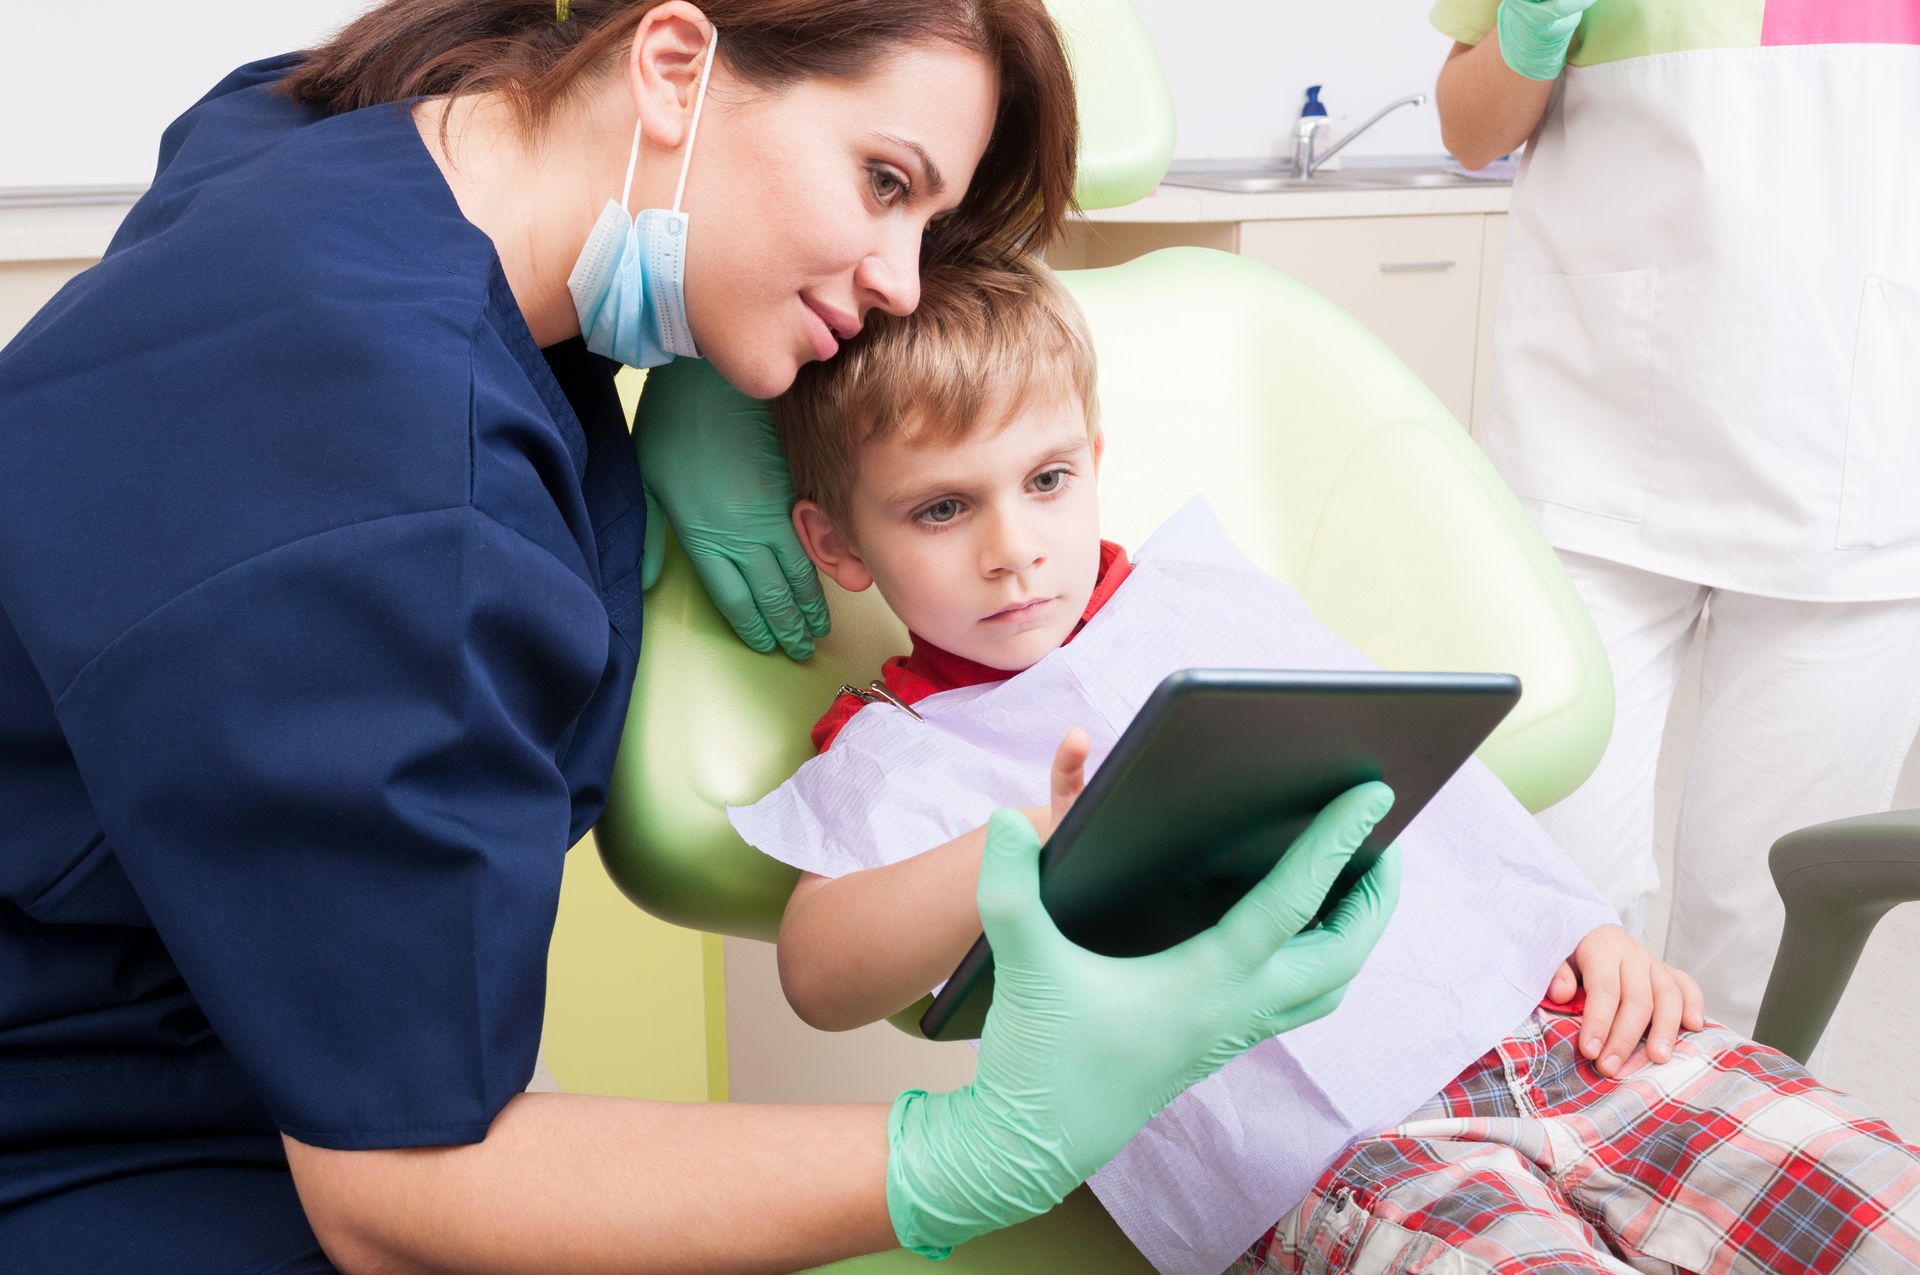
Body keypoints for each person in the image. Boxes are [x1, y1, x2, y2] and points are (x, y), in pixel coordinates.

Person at [0, 4, 1403, 1270]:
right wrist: (974, 1148)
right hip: (93, 1114)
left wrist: (674, 350)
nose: (903, 280)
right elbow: (399, 1189)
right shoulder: (402, 497)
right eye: (882, 180)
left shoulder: (347, 131)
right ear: (672, 63)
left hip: (215, 998)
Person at [758, 254, 1920, 1273]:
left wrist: (1581, 925)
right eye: (943, 509)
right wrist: (1032, 843)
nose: (1015, 550)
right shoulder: (898, 750)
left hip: (1556, 1034)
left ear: (1096, 459)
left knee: (1881, 1203)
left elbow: (1424, 780)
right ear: (837, 545)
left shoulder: (1204, 598)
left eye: (1048, 481)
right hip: (1321, 1156)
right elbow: (820, 972)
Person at [1430, 1, 1920, 1038]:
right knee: (1554, 920)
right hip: (1591, 450)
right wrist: (1531, 29)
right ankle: (1537, 1189)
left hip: (1863, 473)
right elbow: (1469, 127)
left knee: (1766, 939)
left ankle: (1709, 1192)